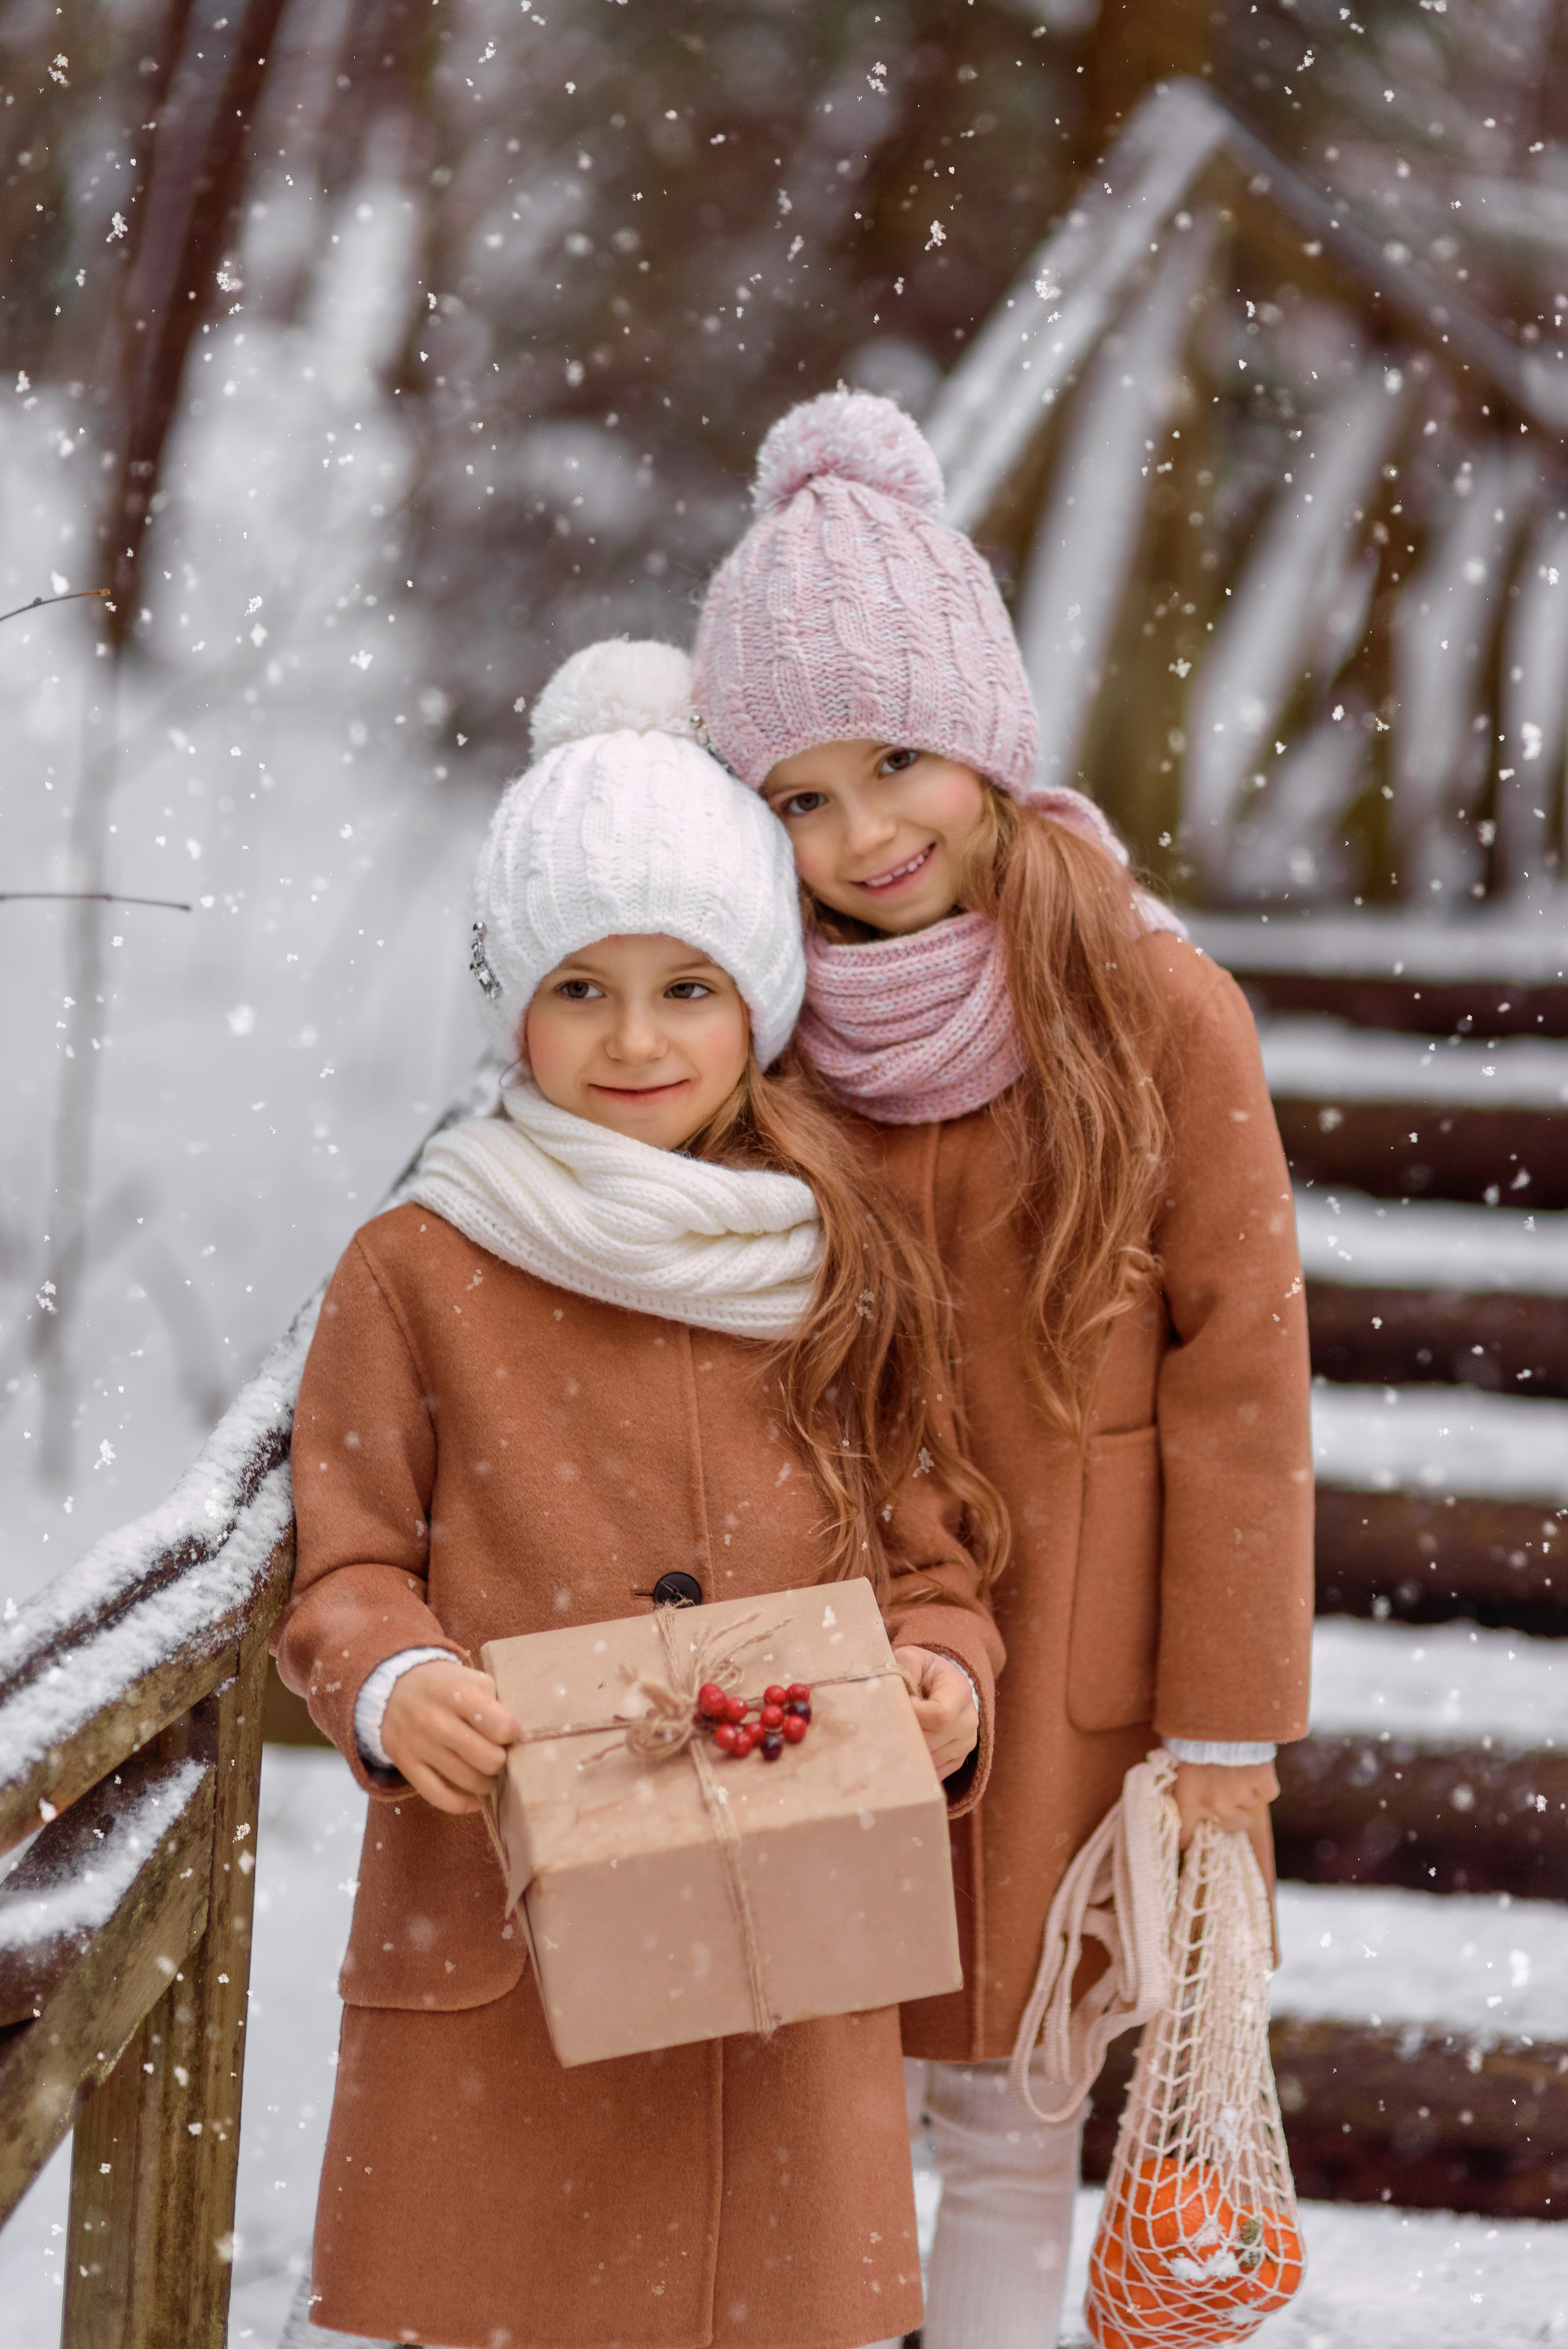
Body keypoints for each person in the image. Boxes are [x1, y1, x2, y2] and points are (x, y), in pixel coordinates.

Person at [273, 638, 1006, 2349]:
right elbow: (349, 1558)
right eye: (580, 985)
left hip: (776, 1925)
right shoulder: (421, 1259)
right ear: (510, 999)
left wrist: (944, 1676)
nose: (634, 1036)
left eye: (688, 985)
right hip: (512, 1925)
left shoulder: (842, 1257)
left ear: (760, 997)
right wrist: (394, 1679)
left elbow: (934, 1543)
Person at [692, 392, 1314, 2349]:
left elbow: (1245, 1379)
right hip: (833, 1613)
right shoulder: (757, 1027)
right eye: (799, 796)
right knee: (822, 2078)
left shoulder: (1147, 1001)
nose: (866, 835)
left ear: (985, 732)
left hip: (1076, 1640)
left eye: (897, 763)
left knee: (1016, 2095)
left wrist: (1225, 1730)